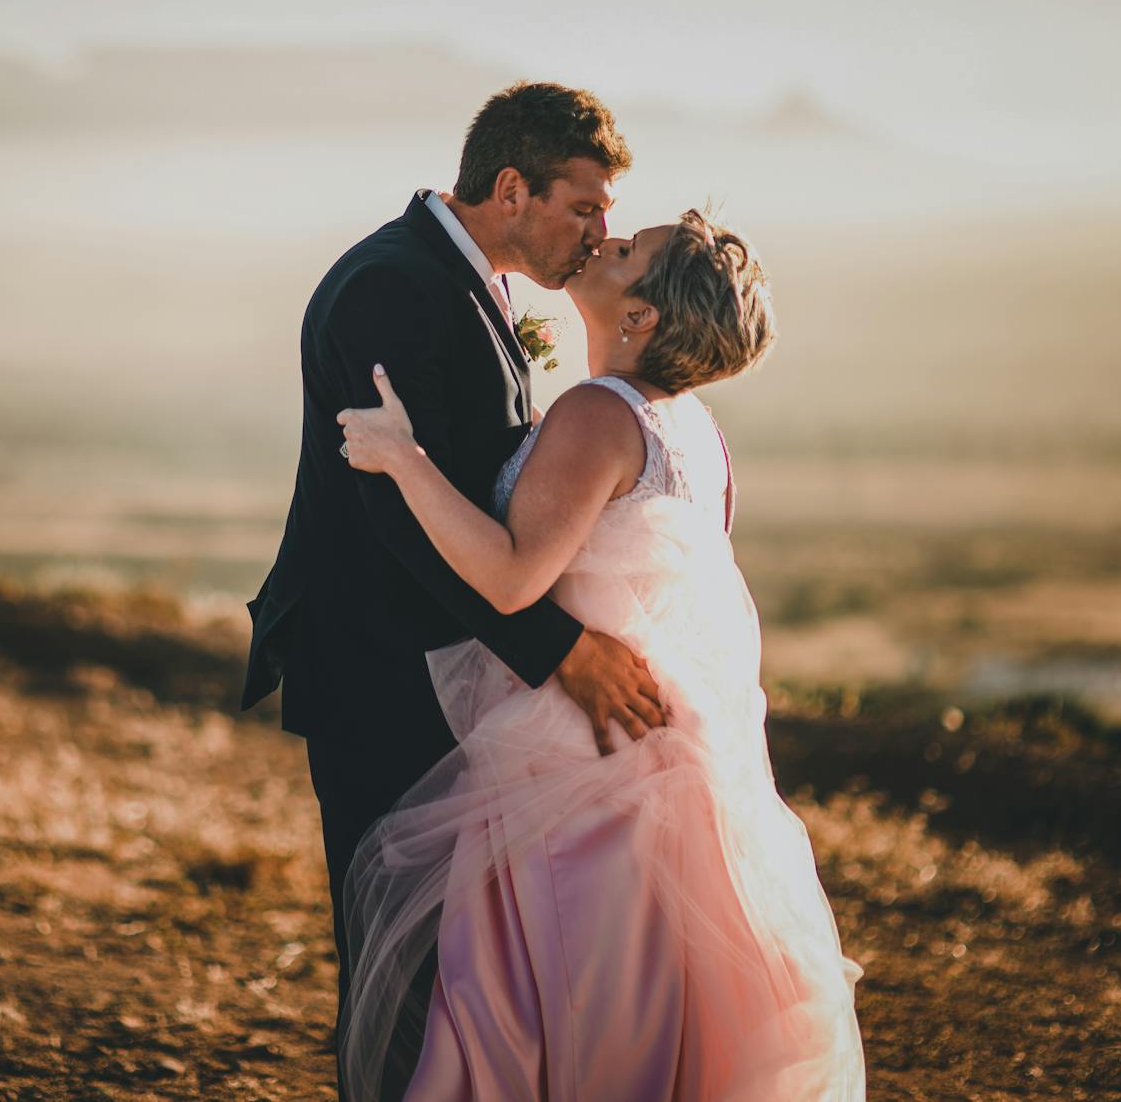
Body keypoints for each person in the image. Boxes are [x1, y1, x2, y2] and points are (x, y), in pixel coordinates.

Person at [335, 209, 866, 1099]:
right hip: (664, 755)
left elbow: (510, 581)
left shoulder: (594, 413)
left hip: (576, 758)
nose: (605, 242)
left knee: (545, 1014)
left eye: (628, 252)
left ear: (642, 316)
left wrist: (403, 458)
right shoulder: (697, 431)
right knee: (652, 1007)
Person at [240, 82, 668, 1096]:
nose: (598, 231)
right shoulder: (392, 287)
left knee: (455, 967)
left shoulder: (463, 279)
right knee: (397, 968)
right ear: (510, 187)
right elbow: (402, 525)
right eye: (584, 205)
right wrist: (560, 654)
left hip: (440, 669)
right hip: (378, 672)